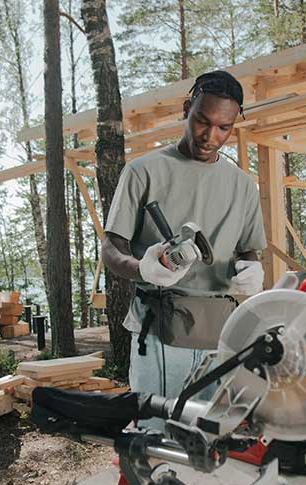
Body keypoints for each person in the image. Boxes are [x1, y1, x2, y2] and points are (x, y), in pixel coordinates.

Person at [101, 70, 267, 405]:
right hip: (158, 331)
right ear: (186, 108)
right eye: (202, 121)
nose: (210, 136)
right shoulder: (143, 172)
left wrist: (252, 271)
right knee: (153, 436)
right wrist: (142, 269)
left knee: (209, 439)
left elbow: (249, 251)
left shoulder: (243, 187)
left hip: (221, 334)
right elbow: (111, 248)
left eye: (224, 128)